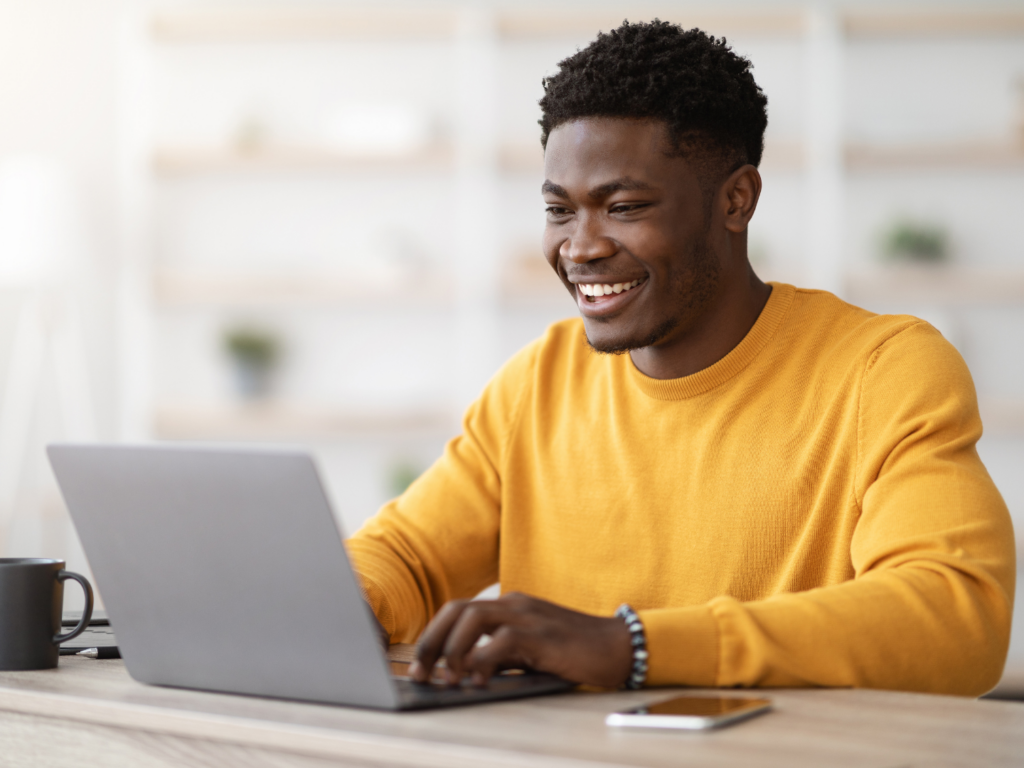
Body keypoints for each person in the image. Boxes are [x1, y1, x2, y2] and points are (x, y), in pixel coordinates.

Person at [347, 20, 1014, 696]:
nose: (580, 247)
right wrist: (340, 602)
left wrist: (631, 647)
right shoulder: (539, 381)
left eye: (624, 206)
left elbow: (956, 619)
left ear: (736, 200)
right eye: (559, 211)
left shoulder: (883, 370)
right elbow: (404, 558)